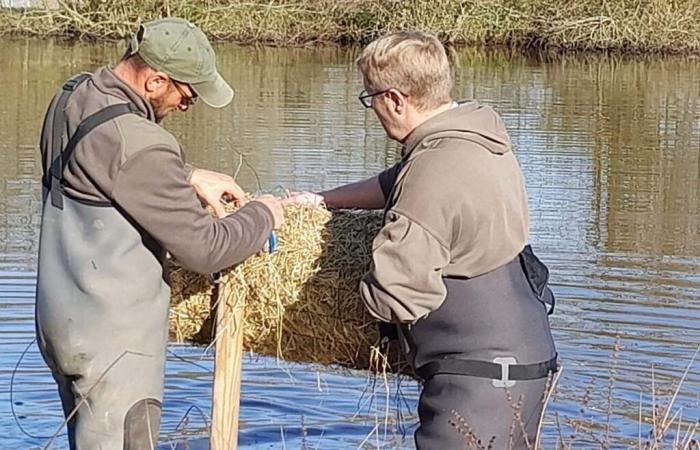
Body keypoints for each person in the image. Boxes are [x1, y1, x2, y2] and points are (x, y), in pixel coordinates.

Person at [288, 31, 558, 449]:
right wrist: (322, 200)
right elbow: (399, 181)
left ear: (396, 99)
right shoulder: (473, 138)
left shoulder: (433, 169)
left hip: (476, 380)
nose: (372, 109)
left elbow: (398, 292)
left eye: (370, 97)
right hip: (523, 359)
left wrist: (316, 296)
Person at [35, 17, 284, 450]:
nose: (187, 106)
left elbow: (98, 159)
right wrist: (264, 214)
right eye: (186, 96)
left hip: (62, 324)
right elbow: (208, 249)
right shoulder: (143, 144)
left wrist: (186, 175)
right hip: (116, 348)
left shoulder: (72, 95)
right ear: (154, 81)